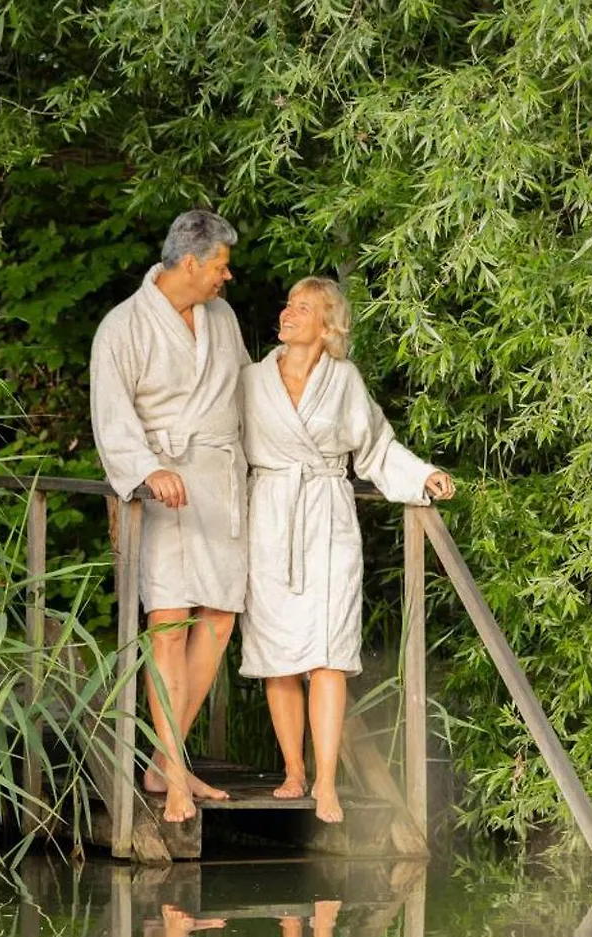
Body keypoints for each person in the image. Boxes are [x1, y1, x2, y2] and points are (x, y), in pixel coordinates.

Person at [238, 277, 454, 823]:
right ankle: (293, 771)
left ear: (327, 324)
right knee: (277, 654)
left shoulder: (344, 380)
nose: (287, 313)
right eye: (287, 303)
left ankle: (327, 782)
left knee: (328, 652)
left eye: (302, 307)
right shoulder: (251, 380)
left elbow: (376, 446)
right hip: (269, 516)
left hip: (327, 515)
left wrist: (423, 476)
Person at [91, 210, 250, 823]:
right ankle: (178, 776)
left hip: (217, 479)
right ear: (190, 263)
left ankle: (165, 761)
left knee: (218, 618)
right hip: (163, 487)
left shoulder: (223, 318)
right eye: (220, 266)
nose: (226, 277)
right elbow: (111, 414)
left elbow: (244, 392)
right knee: (169, 622)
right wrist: (145, 470)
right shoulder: (124, 326)